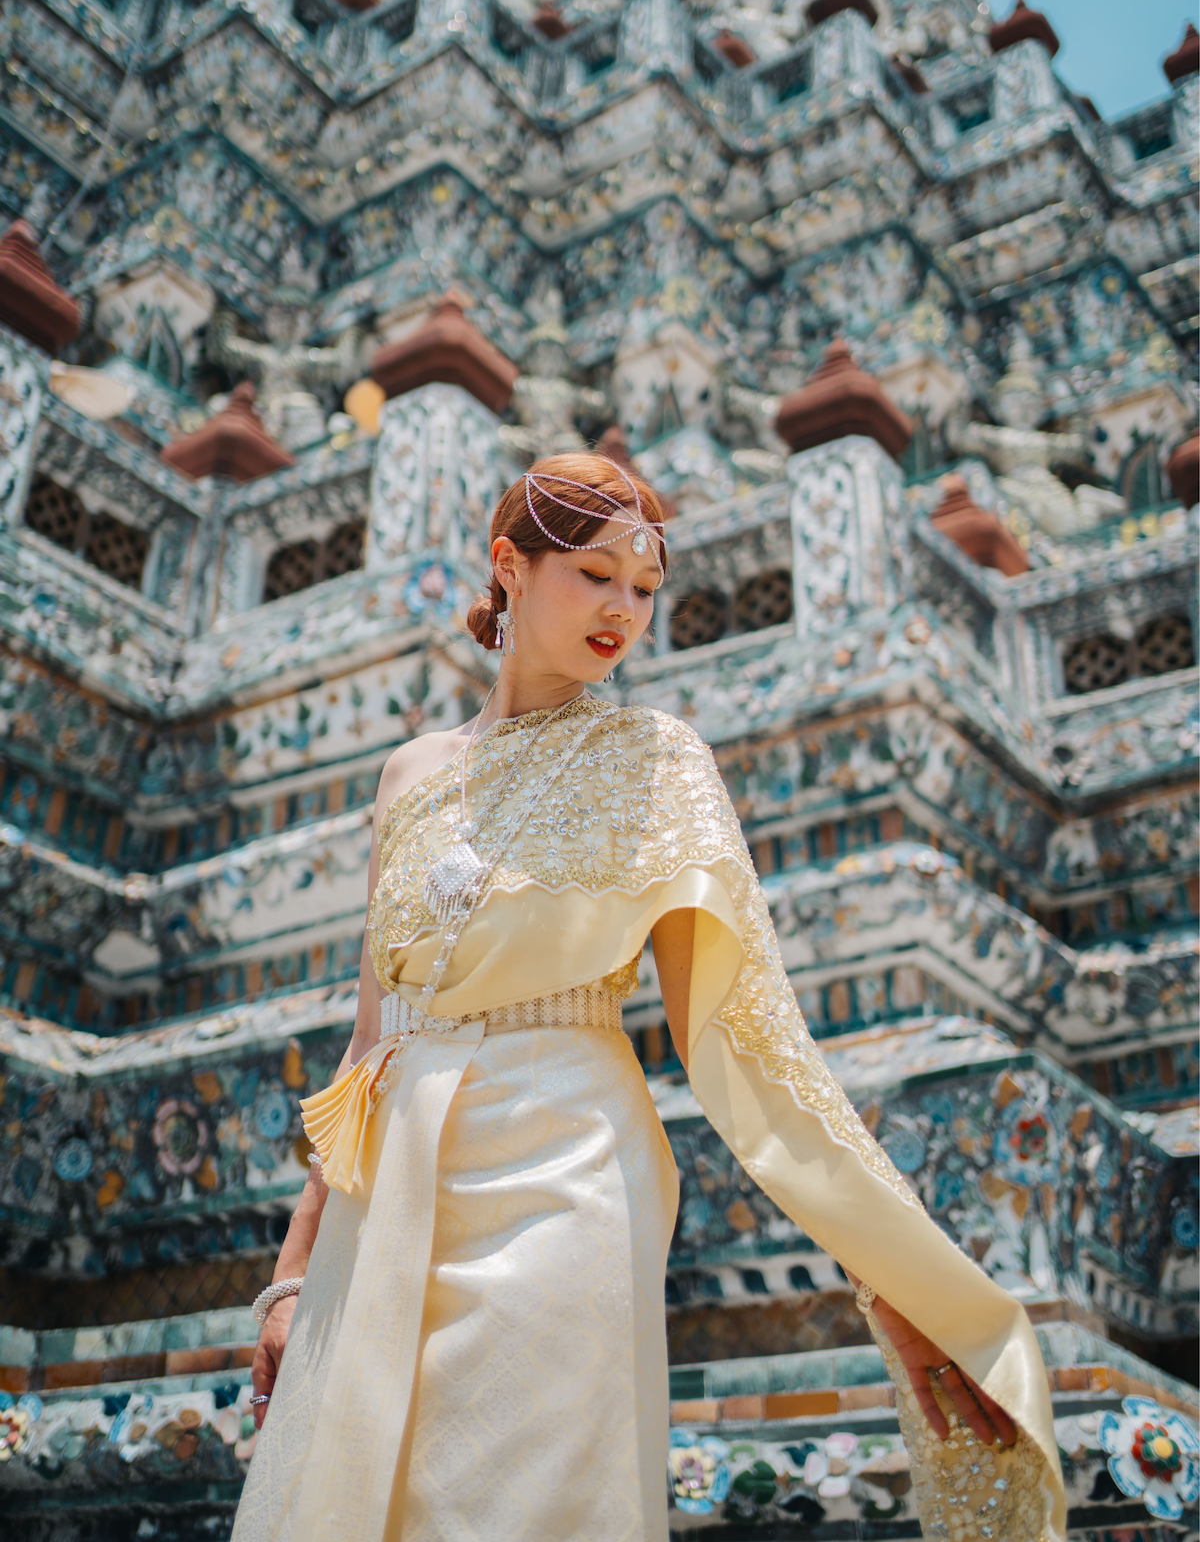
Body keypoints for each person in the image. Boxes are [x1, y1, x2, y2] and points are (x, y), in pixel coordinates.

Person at [232, 452, 1064, 1542]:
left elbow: (750, 1036)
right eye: (595, 575)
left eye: (644, 589)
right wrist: (290, 1279)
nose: (624, 610)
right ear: (510, 568)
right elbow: (368, 1048)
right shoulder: (410, 774)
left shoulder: (662, 762)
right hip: (382, 1201)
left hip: (565, 1171)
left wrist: (891, 1277)